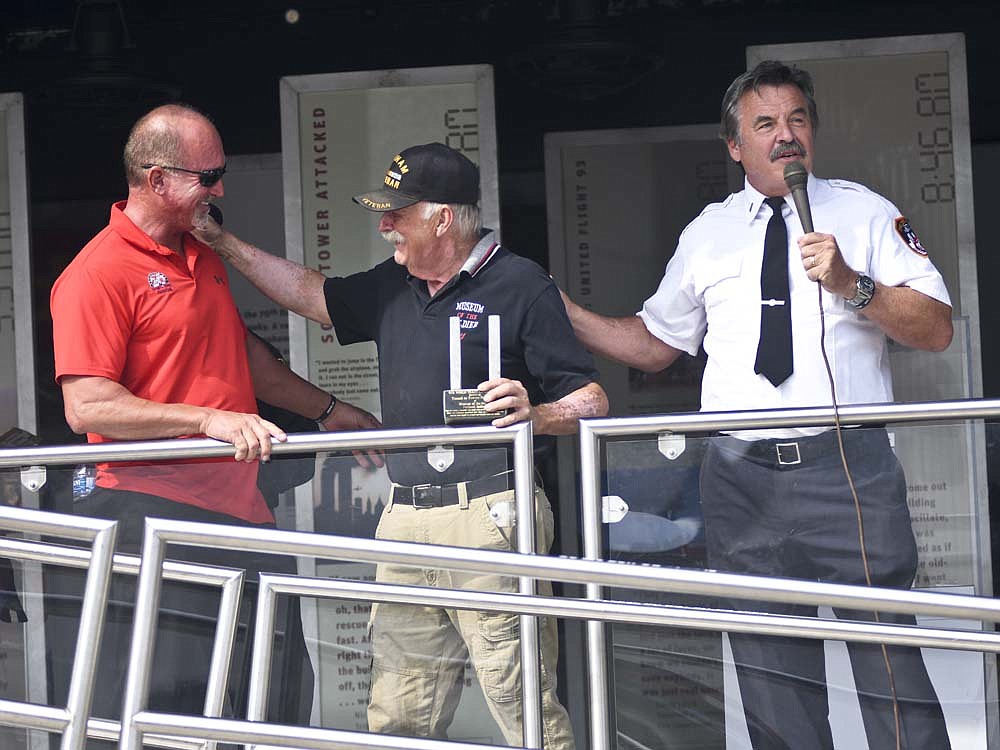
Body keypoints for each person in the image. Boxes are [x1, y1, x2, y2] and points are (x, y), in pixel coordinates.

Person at [560, 61, 953, 749]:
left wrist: (853, 284)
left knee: (886, 658)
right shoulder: (706, 232)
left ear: (813, 134)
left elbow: (936, 327)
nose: (785, 136)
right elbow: (656, 345)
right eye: (765, 123)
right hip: (740, 476)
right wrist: (560, 311)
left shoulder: (861, 211)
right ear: (734, 145)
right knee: (771, 673)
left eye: (797, 119)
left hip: (847, 467)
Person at [196, 141, 608, 748]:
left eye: (398, 212)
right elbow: (313, 295)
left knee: (521, 699)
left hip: (491, 513)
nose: (384, 224)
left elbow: (593, 400)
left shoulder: (522, 283)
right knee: (397, 713)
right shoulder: (395, 283)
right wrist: (223, 245)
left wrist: (538, 412)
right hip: (405, 513)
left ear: (442, 218)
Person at [48, 103, 380, 740]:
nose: (219, 189)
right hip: (153, 516)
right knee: (169, 712)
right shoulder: (95, 272)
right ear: (156, 180)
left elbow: (243, 358)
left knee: (276, 704)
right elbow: (87, 406)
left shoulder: (200, 253)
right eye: (208, 176)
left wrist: (333, 412)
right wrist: (210, 421)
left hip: (242, 513)